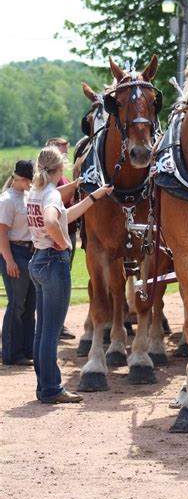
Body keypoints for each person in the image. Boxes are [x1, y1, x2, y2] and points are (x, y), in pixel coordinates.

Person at [27, 145, 113, 404]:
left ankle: (44, 386)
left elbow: (64, 214)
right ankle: (52, 389)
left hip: (38, 261)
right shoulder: (51, 195)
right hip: (54, 263)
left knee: (42, 330)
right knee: (51, 332)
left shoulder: (37, 191)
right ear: (59, 167)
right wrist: (64, 243)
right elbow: (53, 221)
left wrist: (92, 195)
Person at [0, 160, 36, 366]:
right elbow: (2, 234)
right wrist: (9, 260)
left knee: (30, 304)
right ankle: (12, 353)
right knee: (17, 303)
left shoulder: (28, 196)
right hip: (15, 250)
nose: (30, 184)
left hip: (30, 251)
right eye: (28, 180)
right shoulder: (6, 200)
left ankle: (27, 349)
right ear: (20, 179)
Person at [45, 137, 77, 340]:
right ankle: (53, 328)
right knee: (56, 286)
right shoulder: (50, 186)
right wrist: (64, 243)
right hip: (56, 240)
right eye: (62, 151)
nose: (65, 154)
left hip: (68, 232)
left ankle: (58, 325)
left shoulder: (61, 178)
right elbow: (53, 217)